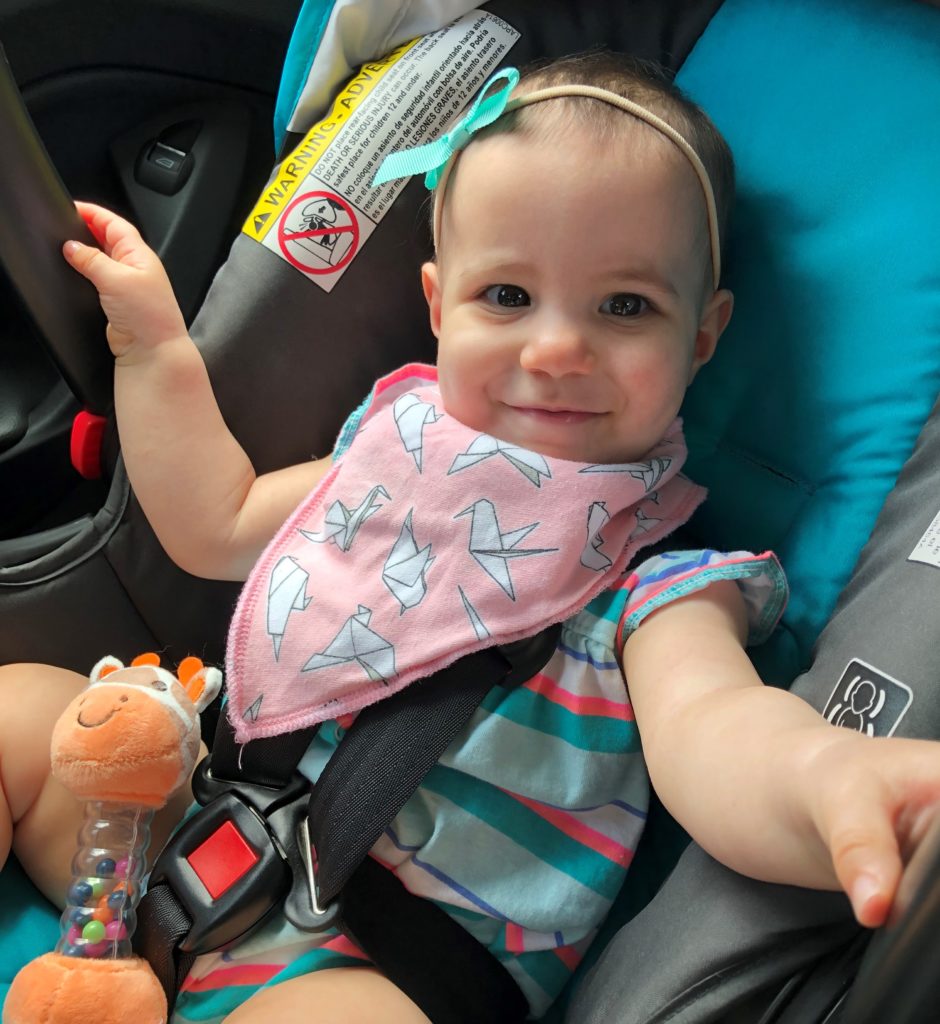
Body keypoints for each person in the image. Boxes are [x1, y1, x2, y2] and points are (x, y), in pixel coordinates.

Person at [2, 51, 940, 1023]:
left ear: (702, 337)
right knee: (18, 710)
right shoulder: (389, 453)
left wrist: (824, 777)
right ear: (436, 304)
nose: (555, 349)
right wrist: (154, 352)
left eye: (625, 306)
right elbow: (214, 520)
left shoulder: (655, 584)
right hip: (180, 817)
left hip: (376, 968)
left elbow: (717, 736)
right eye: (506, 298)